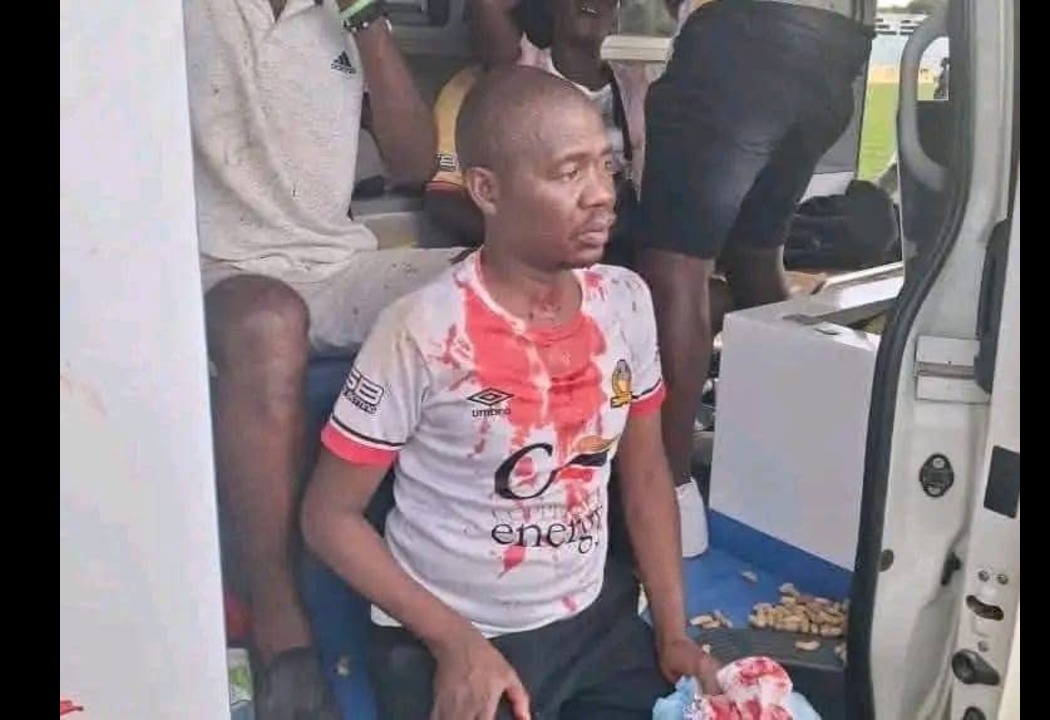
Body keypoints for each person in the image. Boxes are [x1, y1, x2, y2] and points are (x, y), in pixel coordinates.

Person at [301, 66, 720, 720]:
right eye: (569, 173)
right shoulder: (423, 330)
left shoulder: (625, 302)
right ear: (487, 190)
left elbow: (645, 474)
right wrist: (455, 642)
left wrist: (672, 633)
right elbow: (328, 518)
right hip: (448, 635)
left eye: (605, 167)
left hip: (593, 626)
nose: (601, 196)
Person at [183, 0, 466, 716]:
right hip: (216, 269)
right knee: (269, 322)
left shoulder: (345, 16)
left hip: (336, 266)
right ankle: (281, 629)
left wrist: (367, 20)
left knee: (490, 281)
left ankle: (485, 577)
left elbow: (414, 163)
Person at [635, 0, 874, 556]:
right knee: (756, 253)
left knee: (674, 270)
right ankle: (783, 462)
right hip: (830, 48)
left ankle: (670, 495)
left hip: (738, 37)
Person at [424, 0, 648, 271]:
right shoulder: (514, 77)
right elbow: (444, 201)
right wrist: (530, 244)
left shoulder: (636, 88)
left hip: (619, 254)